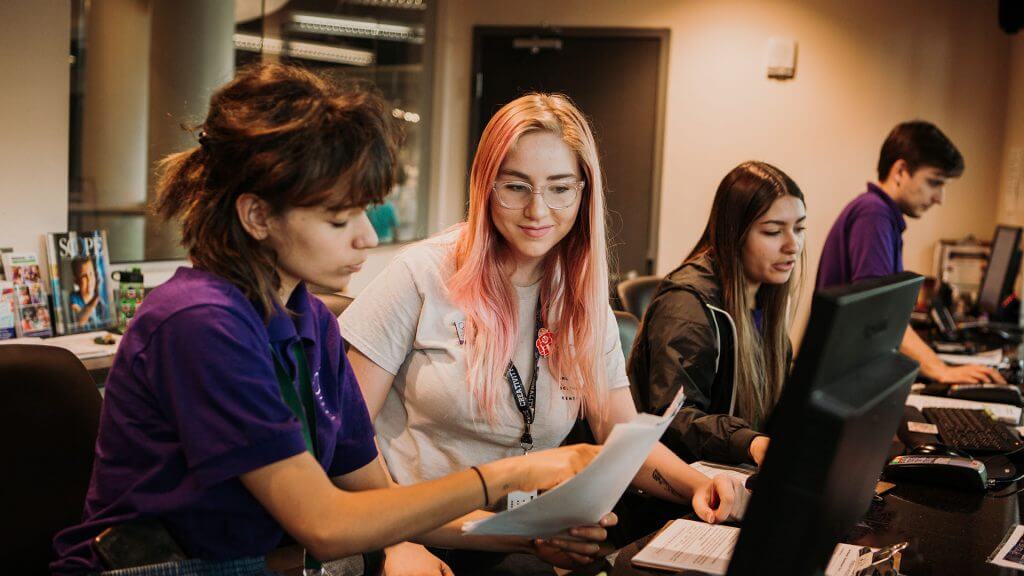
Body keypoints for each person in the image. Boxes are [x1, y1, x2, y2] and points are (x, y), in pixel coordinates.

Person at [51, 65, 613, 576]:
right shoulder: (199, 323)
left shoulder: (309, 322)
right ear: (257, 215)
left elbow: (373, 501)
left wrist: (526, 539)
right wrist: (511, 477)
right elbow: (325, 524)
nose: (367, 238)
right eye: (339, 218)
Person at [340, 93, 747, 575]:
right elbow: (346, 435)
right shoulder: (421, 274)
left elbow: (619, 434)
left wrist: (697, 485)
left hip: (510, 538)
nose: (538, 210)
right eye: (516, 186)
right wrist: (396, 541)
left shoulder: (580, 295)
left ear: (583, 192)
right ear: (486, 186)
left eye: (560, 189)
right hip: (411, 534)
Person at [629, 161, 805, 467]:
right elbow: (673, 418)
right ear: (734, 233)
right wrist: (749, 443)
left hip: (733, 472)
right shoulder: (687, 305)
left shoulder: (765, 296)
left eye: (800, 228)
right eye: (774, 231)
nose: (793, 245)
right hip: (679, 487)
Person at [817, 121, 1003, 384]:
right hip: (841, 381)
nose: (940, 198)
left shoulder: (882, 215)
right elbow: (877, 312)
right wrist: (941, 370)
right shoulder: (873, 214)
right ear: (901, 171)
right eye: (934, 182)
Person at [70, 257, 107, 328]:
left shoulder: (103, 300)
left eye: (91, 273)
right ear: (76, 280)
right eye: (84, 276)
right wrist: (96, 297)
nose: (89, 279)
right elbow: (80, 320)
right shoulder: (73, 298)